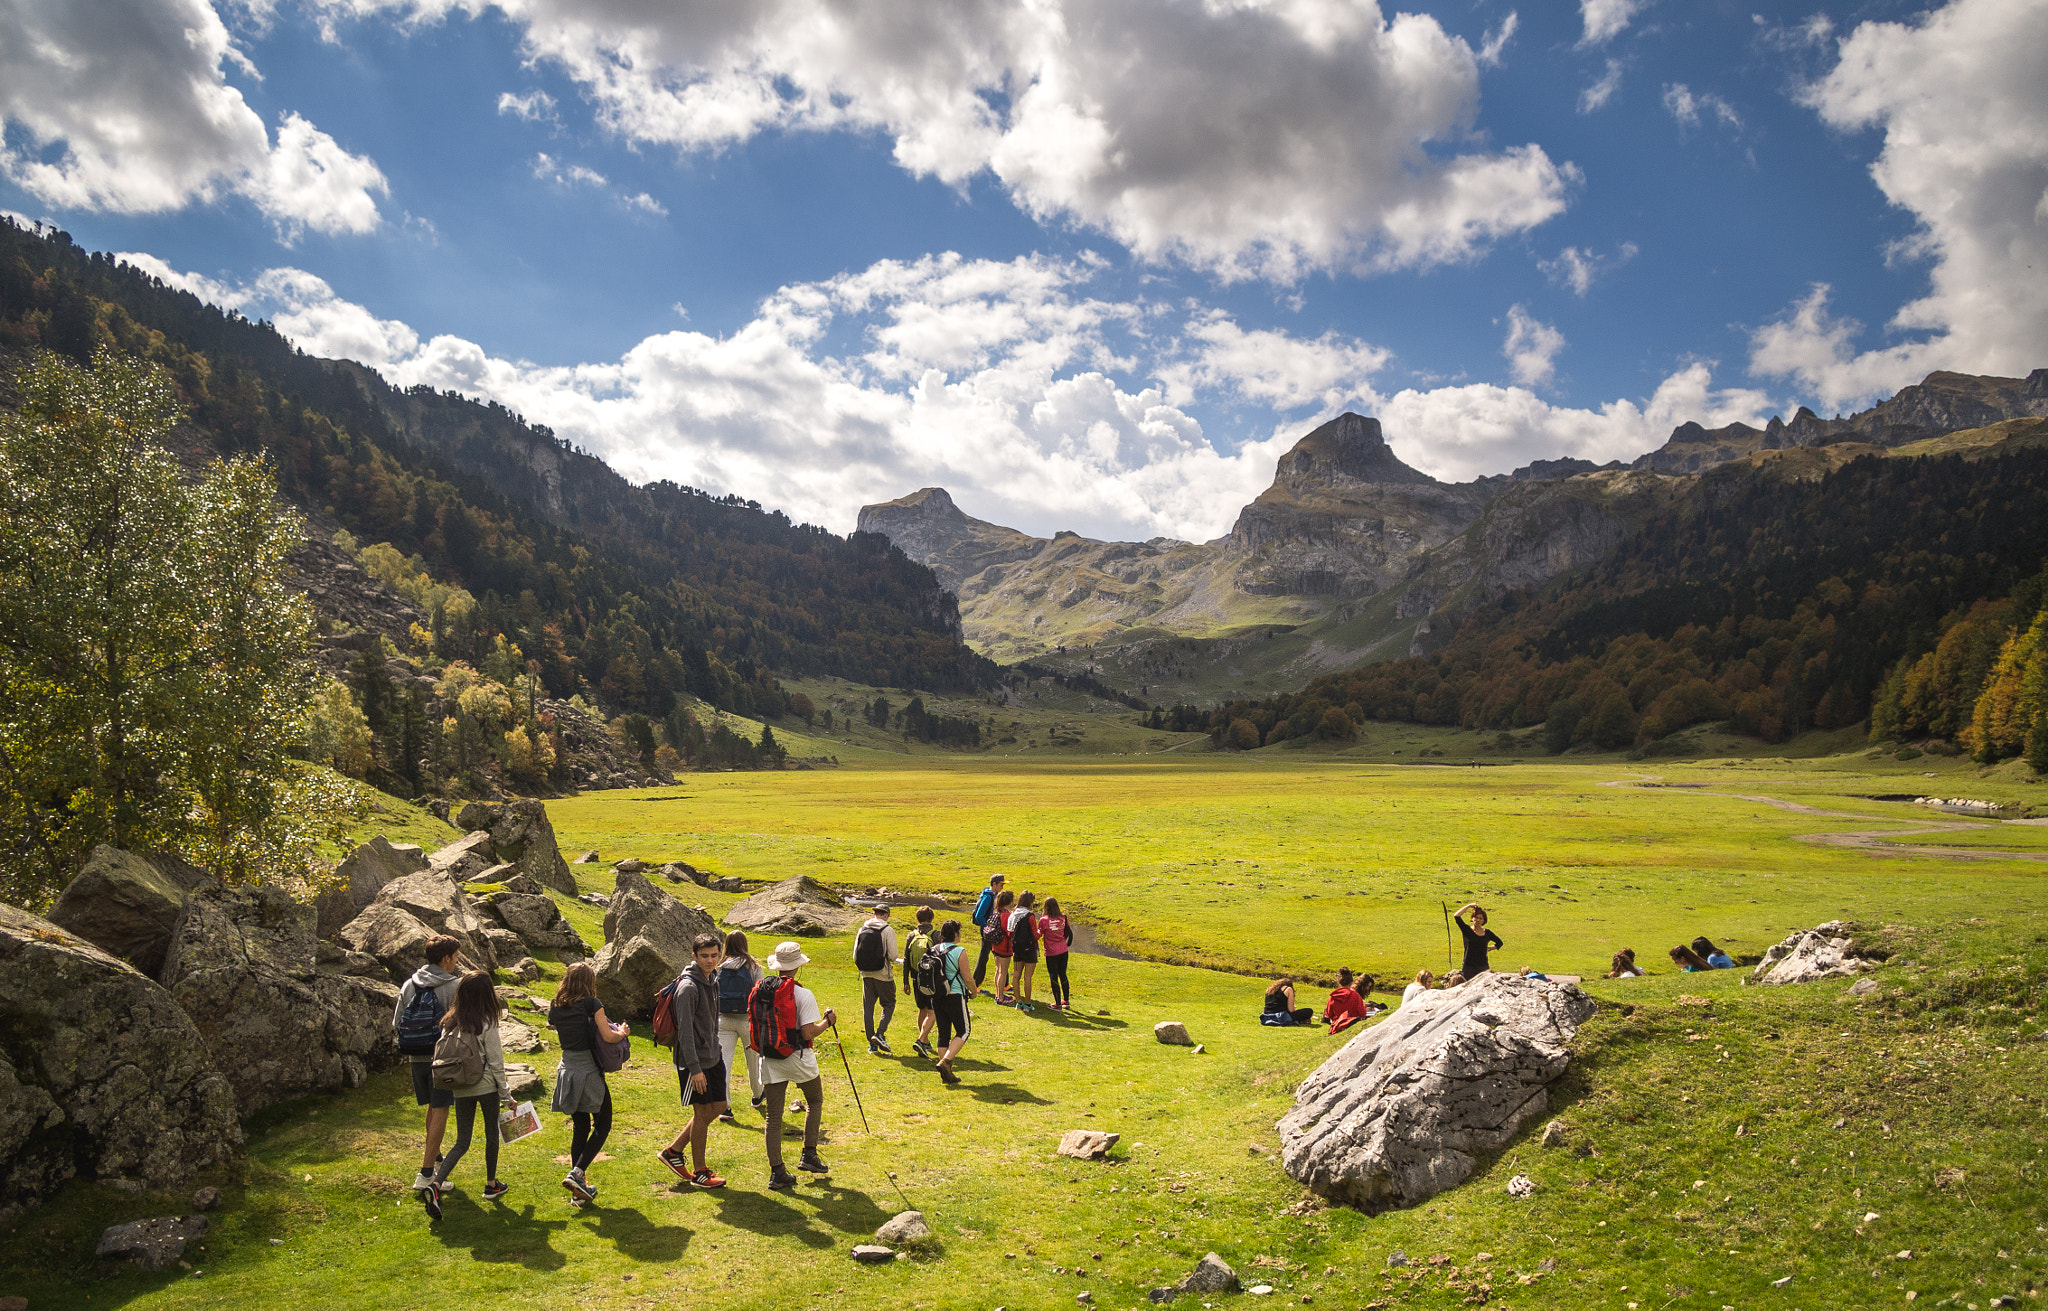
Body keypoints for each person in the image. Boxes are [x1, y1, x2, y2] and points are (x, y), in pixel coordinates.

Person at [423, 970, 509, 1218]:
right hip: (486, 1088)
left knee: (462, 1141)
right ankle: (491, 1185)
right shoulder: (487, 1022)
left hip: (460, 1087)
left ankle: (436, 1184)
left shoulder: (449, 1022)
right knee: (492, 1135)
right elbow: (496, 1062)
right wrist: (507, 1095)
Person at [548, 961, 629, 1205]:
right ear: (589, 981)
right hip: (588, 1070)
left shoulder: (556, 1005)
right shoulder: (592, 1004)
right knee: (603, 1124)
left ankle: (578, 1192)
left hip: (567, 1069)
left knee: (580, 1126)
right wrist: (623, 1032)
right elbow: (607, 1036)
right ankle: (577, 1172)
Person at [756, 940, 835, 1190]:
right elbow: (809, 1032)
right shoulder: (802, 994)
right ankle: (808, 1154)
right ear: (797, 966)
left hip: (769, 1056)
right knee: (815, 1100)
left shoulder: (760, 989)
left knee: (773, 1116)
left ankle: (777, 1171)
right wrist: (828, 1022)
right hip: (797, 1056)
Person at [396, 935, 465, 1197]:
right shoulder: (454, 986)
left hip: (415, 1055)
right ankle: (426, 1174)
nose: (457, 962)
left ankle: (436, 1161)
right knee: (442, 1110)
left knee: (433, 1109)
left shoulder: (408, 984)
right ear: (446, 958)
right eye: (456, 957)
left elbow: (397, 1022)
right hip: (442, 1059)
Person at [659, 933, 728, 1189]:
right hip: (694, 1063)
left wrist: (716, 1049)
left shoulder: (714, 980)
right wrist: (695, 1069)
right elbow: (685, 1034)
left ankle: (674, 1151)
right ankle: (700, 1172)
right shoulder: (688, 988)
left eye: (714, 955)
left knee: (720, 1105)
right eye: (704, 956)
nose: (710, 961)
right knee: (701, 1113)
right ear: (694, 956)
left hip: (713, 1055)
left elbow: (711, 1022)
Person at [714, 931, 765, 1117]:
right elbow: (759, 993)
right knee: (753, 1060)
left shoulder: (719, 967)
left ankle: (725, 1106)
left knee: (724, 1063)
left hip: (723, 1019)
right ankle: (757, 1095)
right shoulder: (753, 966)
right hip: (747, 1019)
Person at [929, 920, 972, 1085]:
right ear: (955, 934)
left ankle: (946, 1074)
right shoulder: (959, 951)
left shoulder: (933, 949)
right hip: (954, 994)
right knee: (964, 1031)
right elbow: (967, 977)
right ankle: (945, 1062)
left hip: (937, 995)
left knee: (943, 1034)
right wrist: (974, 992)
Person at [854, 903, 899, 1054]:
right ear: (886, 915)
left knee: (868, 1008)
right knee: (889, 1003)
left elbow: (855, 955)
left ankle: (871, 1044)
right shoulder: (887, 930)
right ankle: (879, 1033)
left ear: (875, 914)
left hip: (866, 973)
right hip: (883, 974)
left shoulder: (862, 929)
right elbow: (892, 956)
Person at [902, 907, 938, 1057]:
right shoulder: (935, 935)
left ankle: (925, 1040)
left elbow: (905, 959)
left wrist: (905, 981)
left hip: (916, 978)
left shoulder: (911, 935)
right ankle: (922, 1039)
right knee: (933, 1011)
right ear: (931, 918)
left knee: (922, 1009)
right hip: (932, 979)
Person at [970, 873, 1007, 995]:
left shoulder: (993, 895)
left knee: (999, 955)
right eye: (1001, 884)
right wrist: (988, 927)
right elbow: (979, 915)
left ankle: (1005, 984)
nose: (1002, 886)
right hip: (989, 931)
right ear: (994, 884)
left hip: (990, 930)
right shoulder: (988, 897)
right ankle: (975, 985)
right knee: (984, 957)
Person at [1008, 891, 1041, 1012]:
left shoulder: (1013, 914)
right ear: (1030, 902)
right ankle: (1028, 1004)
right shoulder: (1030, 916)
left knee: (1016, 975)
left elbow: (1009, 932)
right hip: (1029, 949)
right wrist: (1041, 931)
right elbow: (1035, 935)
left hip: (1016, 949)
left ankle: (1018, 1002)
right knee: (1028, 977)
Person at [1038, 897, 1072, 1011]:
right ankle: (1066, 1000)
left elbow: (1039, 933)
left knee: (1053, 976)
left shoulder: (1043, 920)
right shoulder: (1063, 918)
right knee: (1063, 974)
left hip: (1051, 952)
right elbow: (1067, 931)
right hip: (1063, 950)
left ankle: (1057, 1003)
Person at [1454, 903, 1503, 978]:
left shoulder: (1487, 933)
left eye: (1480, 918)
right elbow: (1456, 916)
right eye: (1476, 917)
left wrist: (1489, 948)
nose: (1478, 920)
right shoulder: (1467, 930)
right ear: (1472, 918)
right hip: (1468, 966)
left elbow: (1499, 943)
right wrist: (1469, 906)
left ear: (1484, 920)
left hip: (1483, 966)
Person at [987, 889, 1017, 1003]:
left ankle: (998, 994)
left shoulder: (996, 912)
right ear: (1009, 902)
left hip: (996, 945)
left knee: (998, 970)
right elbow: (1009, 931)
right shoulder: (1006, 915)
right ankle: (1000, 997)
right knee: (1003, 972)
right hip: (1004, 946)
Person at [1322, 968, 1369, 1033]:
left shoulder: (1332, 996)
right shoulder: (1355, 996)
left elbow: (1328, 1015)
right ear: (1351, 983)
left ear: (1339, 982)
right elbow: (1362, 1013)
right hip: (1352, 1024)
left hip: (1336, 1026)